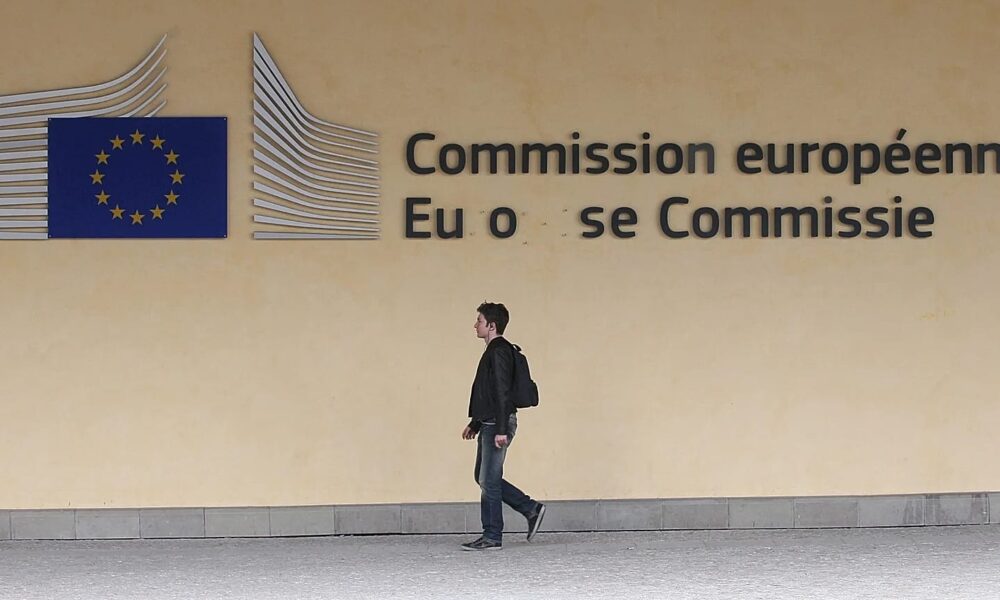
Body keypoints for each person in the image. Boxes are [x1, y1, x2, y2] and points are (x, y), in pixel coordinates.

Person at [460, 302, 545, 551]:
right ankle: (530, 509)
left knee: (489, 480)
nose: (475, 325)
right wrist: (475, 423)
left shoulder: (498, 351)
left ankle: (492, 535)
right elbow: (489, 393)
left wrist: (500, 429)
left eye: (479, 321)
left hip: (498, 423)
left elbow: (502, 392)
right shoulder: (494, 351)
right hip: (490, 422)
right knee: (483, 476)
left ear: (491, 325)